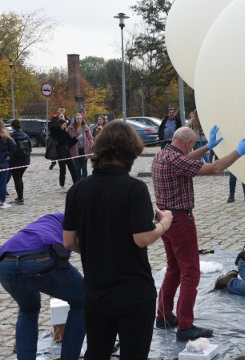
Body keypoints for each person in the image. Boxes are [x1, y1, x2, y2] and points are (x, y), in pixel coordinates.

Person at [63, 120, 174, 359]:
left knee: (97, 352)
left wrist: (98, 249)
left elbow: (68, 241)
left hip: (96, 292)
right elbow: (142, 238)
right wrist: (164, 223)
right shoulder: (135, 189)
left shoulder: (77, 190)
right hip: (132, 293)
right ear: (131, 153)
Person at [151, 125, 245, 341]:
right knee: (191, 273)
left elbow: (187, 159)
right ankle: (185, 326)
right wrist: (239, 151)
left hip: (165, 218)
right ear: (188, 142)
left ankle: (163, 316)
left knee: (173, 269)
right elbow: (214, 168)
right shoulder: (176, 160)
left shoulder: (163, 155)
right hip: (181, 220)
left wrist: (208, 146)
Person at [0, 212, 85, 360]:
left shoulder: (50, 219)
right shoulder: (79, 222)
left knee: (28, 310)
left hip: (5, 264)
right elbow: (74, 244)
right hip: (40, 259)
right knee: (82, 301)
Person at [49, 118, 78, 188]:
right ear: (60, 125)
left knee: (73, 168)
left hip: (67, 152)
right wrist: (59, 119)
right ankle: (62, 184)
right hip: (60, 152)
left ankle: (76, 183)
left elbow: (70, 144)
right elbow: (52, 128)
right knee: (62, 169)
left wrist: (75, 139)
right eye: (64, 125)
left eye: (66, 125)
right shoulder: (56, 132)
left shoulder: (66, 133)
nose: (65, 126)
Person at [9, 119, 32, 205]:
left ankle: (20, 198)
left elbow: (9, 148)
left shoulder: (11, 136)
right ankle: (20, 196)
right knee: (19, 178)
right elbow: (30, 148)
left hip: (15, 161)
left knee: (17, 179)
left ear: (12, 126)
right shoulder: (25, 135)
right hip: (25, 160)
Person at [67, 113, 93, 180]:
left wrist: (91, 145)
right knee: (77, 167)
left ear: (82, 119)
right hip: (75, 150)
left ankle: (85, 182)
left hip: (84, 149)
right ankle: (78, 182)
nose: (79, 120)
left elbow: (90, 137)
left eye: (80, 118)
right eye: (77, 118)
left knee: (84, 167)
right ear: (75, 119)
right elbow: (68, 139)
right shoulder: (70, 127)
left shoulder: (85, 126)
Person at [48, 106, 69, 170]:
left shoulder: (66, 117)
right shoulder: (54, 117)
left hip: (63, 136)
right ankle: (53, 162)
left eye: (63, 110)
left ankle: (62, 163)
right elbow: (51, 125)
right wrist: (58, 120)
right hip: (55, 136)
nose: (61, 111)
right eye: (60, 110)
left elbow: (69, 124)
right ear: (58, 111)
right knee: (54, 150)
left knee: (62, 151)